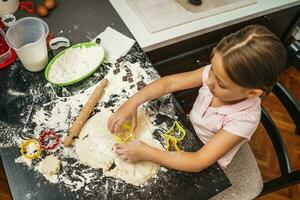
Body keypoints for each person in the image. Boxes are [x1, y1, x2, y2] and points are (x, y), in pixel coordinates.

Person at [107, 25, 286, 172]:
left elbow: (198, 161)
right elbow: (169, 83)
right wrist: (132, 102)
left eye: (221, 84)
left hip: (206, 157)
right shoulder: (219, 74)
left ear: (252, 93)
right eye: (212, 70)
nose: (208, 81)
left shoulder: (244, 119)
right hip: (190, 131)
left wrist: (146, 153)